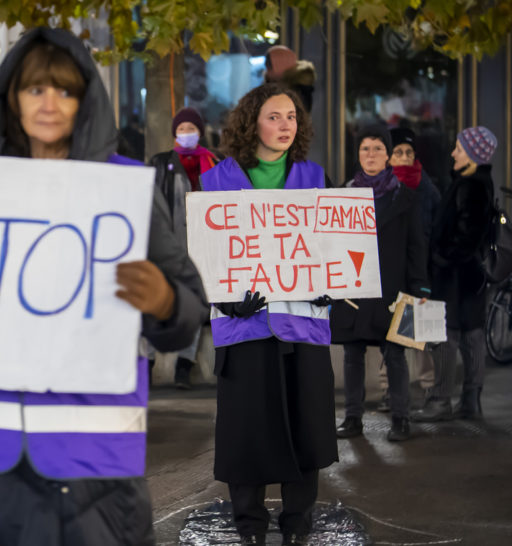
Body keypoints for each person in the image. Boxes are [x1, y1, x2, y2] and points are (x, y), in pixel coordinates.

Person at [0, 27, 204, 545]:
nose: (49, 103)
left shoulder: (125, 188)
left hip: (94, 463)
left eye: (65, 90)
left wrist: (165, 302)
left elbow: (189, 309)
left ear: (85, 99)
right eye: (34, 89)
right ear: (12, 99)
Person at [200, 83, 337, 546]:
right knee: (247, 434)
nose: (285, 126)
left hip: (303, 326)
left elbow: (334, 250)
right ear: (251, 122)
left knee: (307, 429)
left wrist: (333, 288)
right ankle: (250, 529)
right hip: (244, 328)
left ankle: (298, 526)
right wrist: (223, 299)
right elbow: (203, 257)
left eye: (292, 117)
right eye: (275, 116)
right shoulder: (217, 181)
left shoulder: (316, 177)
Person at [331, 126, 430, 443]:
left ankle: (401, 419)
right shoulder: (345, 195)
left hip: (392, 287)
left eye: (376, 148)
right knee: (352, 353)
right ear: (357, 154)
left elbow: (416, 246)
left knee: (396, 353)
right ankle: (353, 418)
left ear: (387, 155)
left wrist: (420, 287)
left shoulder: (404, 197)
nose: (370, 154)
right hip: (354, 287)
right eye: (364, 149)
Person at [414, 126, 498, 422]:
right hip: (470, 276)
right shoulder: (477, 182)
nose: (453, 152)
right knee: (470, 336)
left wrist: (440, 258)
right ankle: (470, 400)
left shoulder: (470, 186)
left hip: (455, 276)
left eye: (459, 149)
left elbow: (467, 235)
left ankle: (440, 400)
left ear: (473, 154)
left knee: (445, 336)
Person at [147, 106, 216, 388]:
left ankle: (184, 368)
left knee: (195, 300)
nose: (187, 134)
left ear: (201, 131)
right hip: (167, 242)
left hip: (201, 244)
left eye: (192, 128)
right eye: (182, 129)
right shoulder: (161, 163)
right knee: (153, 298)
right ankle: (148, 363)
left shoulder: (213, 162)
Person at [375, 127, 441, 410]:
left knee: (420, 335)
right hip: (390, 273)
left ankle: (428, 388)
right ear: (390, 157)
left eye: (408, 152)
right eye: (398, 152)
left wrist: (424, 273)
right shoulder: (381, 188)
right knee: (389, 337)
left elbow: (434, 232)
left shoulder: (427, 189)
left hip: (418, 272)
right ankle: (389, 390)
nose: (403, 157)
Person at [264, 46, 316, 113]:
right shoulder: (298, 89)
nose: (266, 73)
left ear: (279, 66)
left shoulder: (294, 94)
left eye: (269, 68)